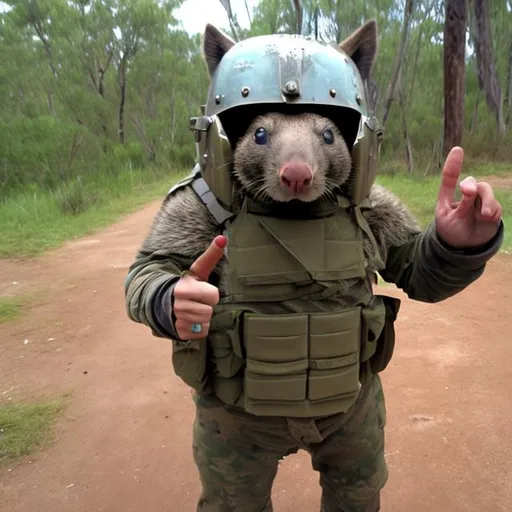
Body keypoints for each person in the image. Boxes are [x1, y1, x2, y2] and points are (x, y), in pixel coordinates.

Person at [124, 21, 504, 512]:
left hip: (349, 410)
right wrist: (164, 298)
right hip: (238, 418)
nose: (297, 167)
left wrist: (455, 246)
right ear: (230, 136)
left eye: (327, 135)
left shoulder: (366, 206)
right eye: (262, 134)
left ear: (350, 141)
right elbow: (146, 274)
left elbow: (420, 275)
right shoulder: (206, 206)